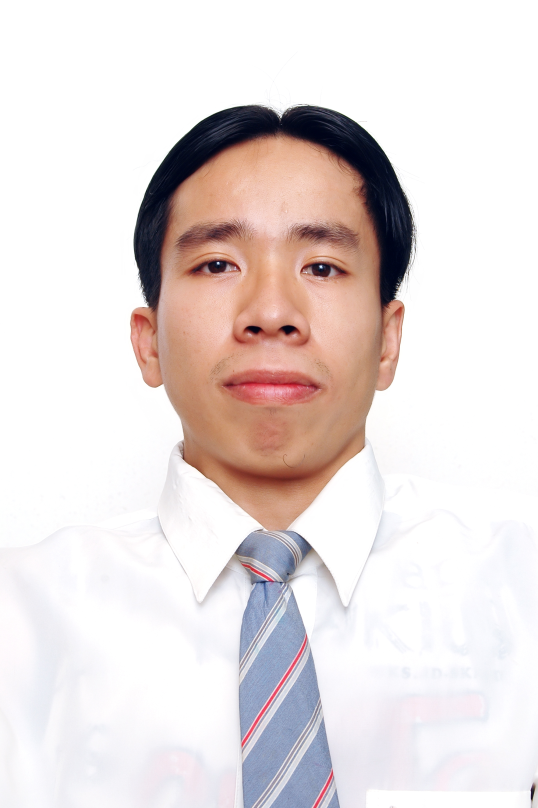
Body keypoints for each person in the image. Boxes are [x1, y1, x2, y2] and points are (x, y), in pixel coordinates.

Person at [1, 105, 537, 808]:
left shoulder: (520, 591)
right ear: (148, 341)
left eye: (322, 266)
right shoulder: (20, 621)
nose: (272, 311)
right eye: (217, 263)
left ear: (388, 340)